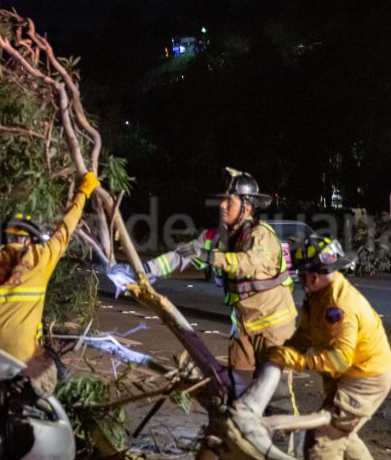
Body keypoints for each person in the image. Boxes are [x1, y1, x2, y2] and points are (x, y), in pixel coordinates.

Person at [106, 168, 296, 405]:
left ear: (247, 207)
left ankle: (283, 428)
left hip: (274, 328)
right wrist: (142, 270)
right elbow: (180, 256)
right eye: (223, 200)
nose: (222, 205)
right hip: (244, 328)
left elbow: (249, 264)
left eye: (230, 201)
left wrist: (210, 256)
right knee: (239, 391)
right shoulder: (216, 238)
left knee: (277, 395)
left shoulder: (261, 235)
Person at [0, 172, 101, 395]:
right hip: (21, 355)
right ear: (29, 240)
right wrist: (83, 192)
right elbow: (65, 230)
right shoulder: (40, 258)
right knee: (53, 375)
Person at [266, 235, 391, 460]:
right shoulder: (318, 296)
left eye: (302, 275)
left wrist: (298, 361)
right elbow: (307, 332)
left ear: (314, 276)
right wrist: (287, 350)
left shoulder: (339, 304)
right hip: (355, 375)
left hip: (364, 379)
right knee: (341, 431)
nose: (300, 280)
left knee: (324, 438)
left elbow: (340, 359)